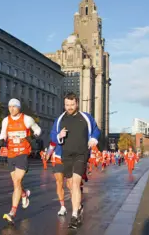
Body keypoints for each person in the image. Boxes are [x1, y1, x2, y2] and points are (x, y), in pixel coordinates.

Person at [50, 93, 100, 229]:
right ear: (64, 104)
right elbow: (53, 135)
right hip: (66, 155)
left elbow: (96, 130)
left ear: (77, 104)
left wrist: (94, 139)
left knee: (76, 183)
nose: (69, 107)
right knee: (70, 185)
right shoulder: (60, 119)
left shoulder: (86, 117)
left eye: (72, 105)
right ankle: (78, 207)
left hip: (81, 154)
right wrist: (59, 135)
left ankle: (74, 215)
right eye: (67, 105)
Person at [1, 98, 41, 224]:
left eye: (14, 106)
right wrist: (2, 141)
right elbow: (3, 134)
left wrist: (33, 137)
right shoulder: (6, 120)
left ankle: (12, 212)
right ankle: (24, 194)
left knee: (17, 181)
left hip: (23, 153)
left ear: (19, 107)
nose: (11, 109)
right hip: (11, 153)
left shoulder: (26, 119)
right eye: (10, 107)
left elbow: (38, 130)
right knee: (15, 184)